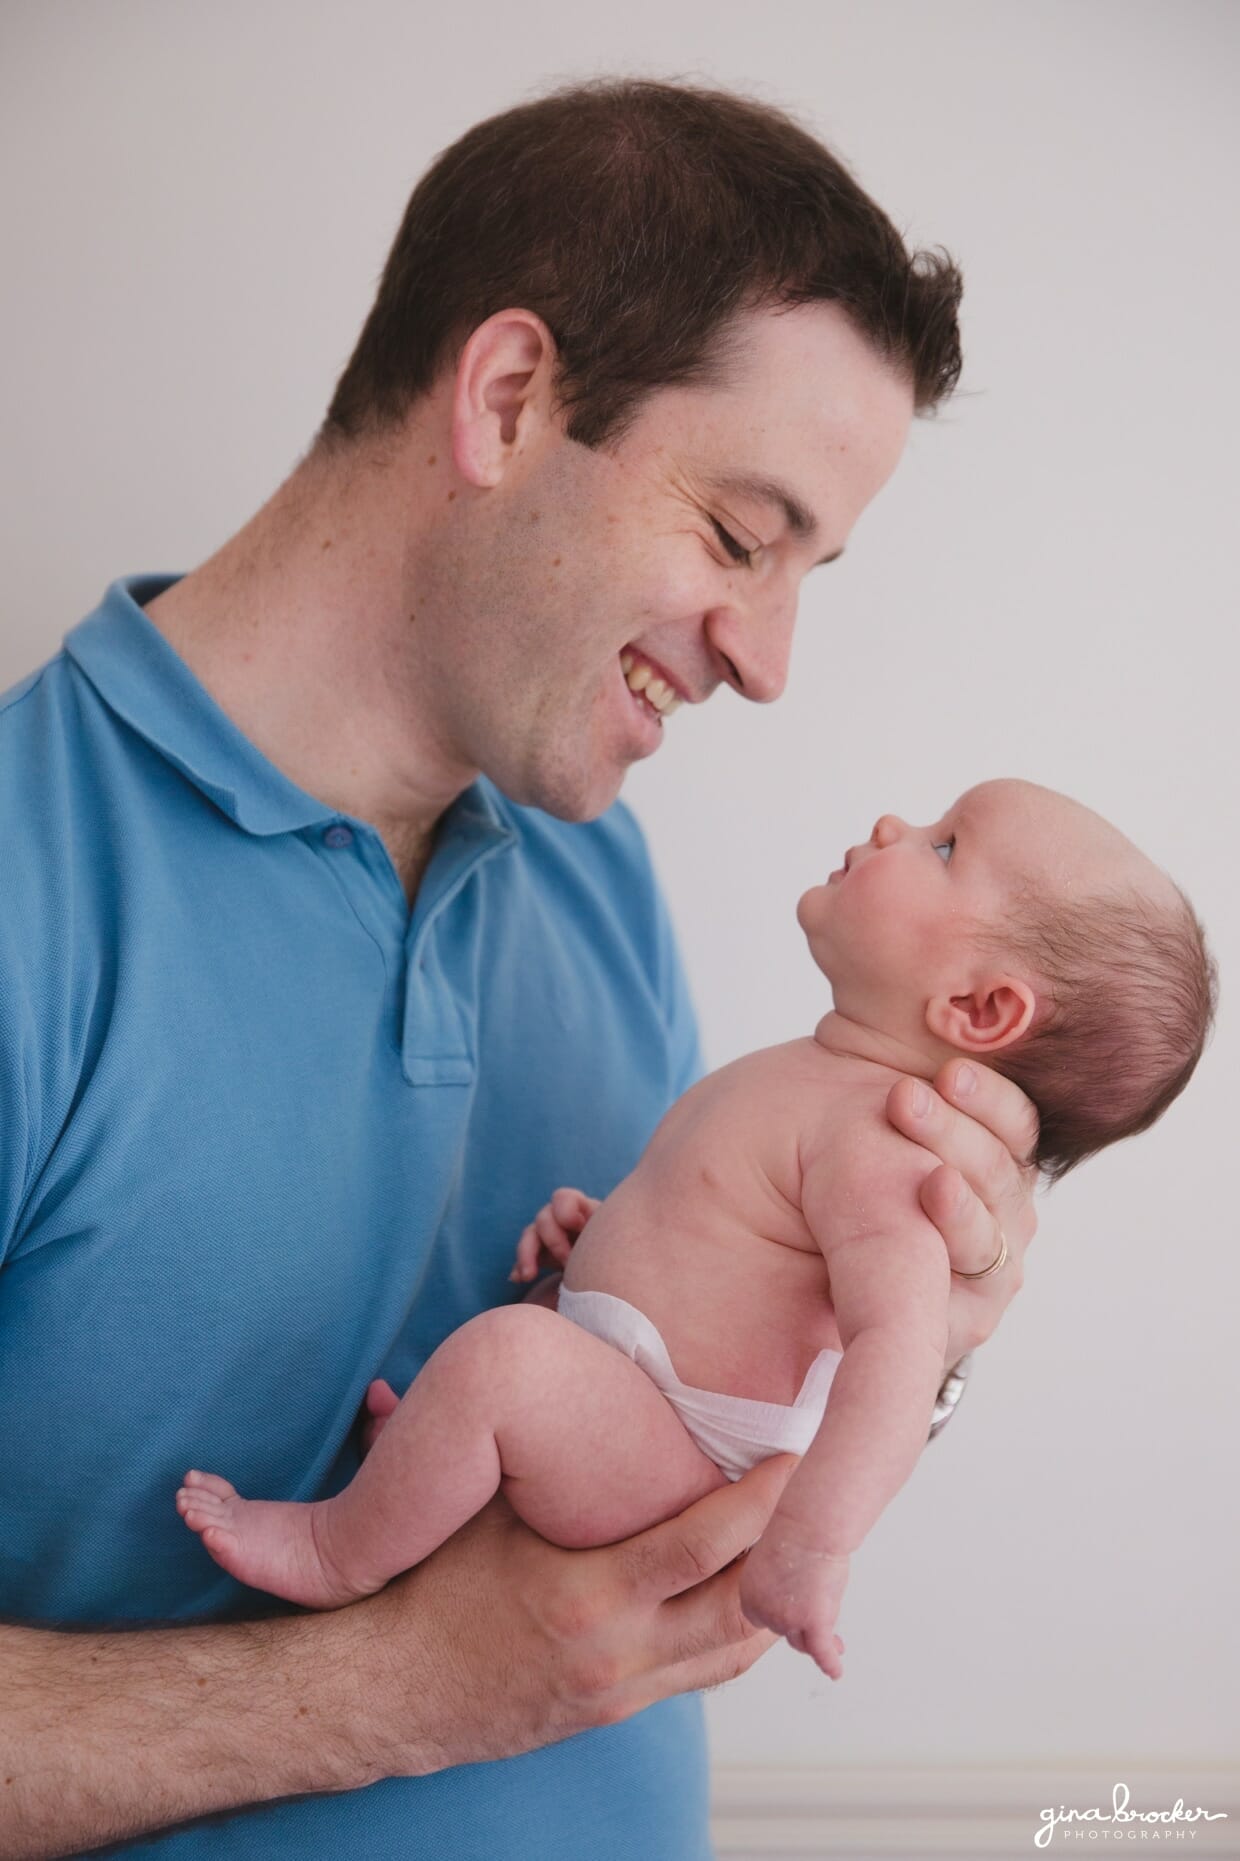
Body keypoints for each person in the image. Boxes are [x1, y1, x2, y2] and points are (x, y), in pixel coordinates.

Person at [0, 79, 1042, 1861]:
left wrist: (927, 1331)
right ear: (504, 401)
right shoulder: (32, 885)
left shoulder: (597, 867)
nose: (769, 662)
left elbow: (680, 1460)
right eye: (739, 536)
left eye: (812, 575)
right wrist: (395, 1688)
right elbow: (499, 1654)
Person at [173, 779, 1215, 1675]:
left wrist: (814, 1540)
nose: (898, 822)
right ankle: (435, 1472)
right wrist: (614, 1229)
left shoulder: (887, 1149)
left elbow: (899, 1350)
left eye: (944, 846)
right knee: (514, 1360)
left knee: (502, 1363)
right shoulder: (818, 1078)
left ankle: (334, 1552)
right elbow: (726, 1231)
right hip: (652, 1396)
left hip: (684, 1448)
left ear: (978, 1012)